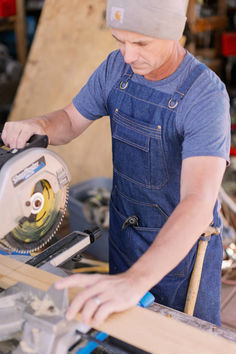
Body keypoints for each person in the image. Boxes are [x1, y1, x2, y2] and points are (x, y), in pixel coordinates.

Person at [1, 0, 230, 327]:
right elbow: (68, 119)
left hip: (181, 254)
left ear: (175, 33)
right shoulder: (116, 69)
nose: (128, 55)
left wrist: (135, 281)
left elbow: (197, 201)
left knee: (181, 339)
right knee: (123, 335)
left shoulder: (205, 97)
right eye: (119, 41)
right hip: (126, 233)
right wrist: (40, 125)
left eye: (140, 43)